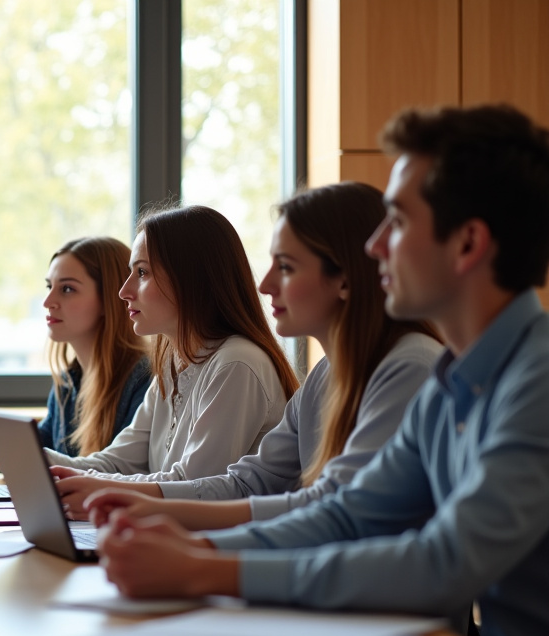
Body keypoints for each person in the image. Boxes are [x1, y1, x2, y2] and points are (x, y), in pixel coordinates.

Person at [90, 105, 549, 636]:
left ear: (467, 244)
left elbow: (444, 562)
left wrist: (204, 569)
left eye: (398, 222)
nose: (376, 246)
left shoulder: (534, 380)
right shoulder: (449, 382)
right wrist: (198, 550)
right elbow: (347, 513)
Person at [55, 183, 442, 522]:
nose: (265, 284)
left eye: (286, 267)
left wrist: (198, 554)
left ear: (343, 279)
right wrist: (114, 495)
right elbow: (248, 483)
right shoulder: (325, 375)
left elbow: (335, 512)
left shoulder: (409, 366)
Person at [44, 206, 299, 487]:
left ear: (190, 279)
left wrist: (91, 485)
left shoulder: (237, 363)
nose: (124, 291)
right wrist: (41, 460)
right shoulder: (172, 365)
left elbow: (191, 485)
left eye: (142, 272)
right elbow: (116, 462)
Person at [39, 236, 151, 457]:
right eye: (49, 286)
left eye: (67, 289)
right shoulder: (68, 382)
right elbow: (42, 445)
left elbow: (123, 472)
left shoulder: (144, 380)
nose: (47, 302)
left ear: (109, 298)